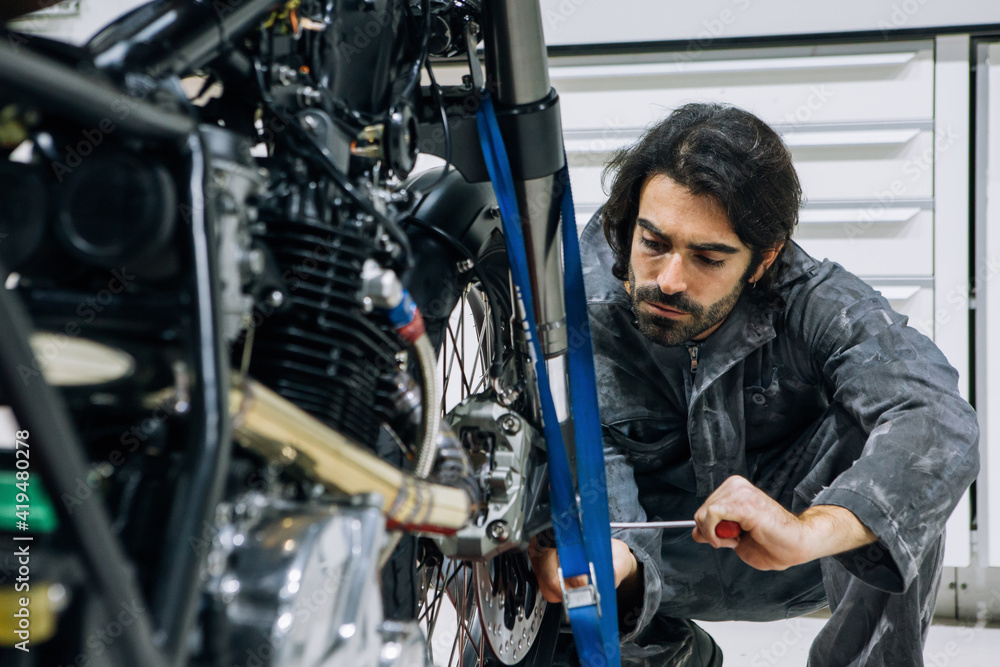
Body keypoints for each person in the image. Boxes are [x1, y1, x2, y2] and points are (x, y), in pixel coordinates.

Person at [529, 102, 980, 666]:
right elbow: (592, 465)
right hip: (646, 569)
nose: (668, 280)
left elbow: (938, 417)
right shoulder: (571, 306)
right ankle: (673, 655)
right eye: (653, 243)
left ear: (764, 259)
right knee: (517, 457)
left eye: (708, 257)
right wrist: (605, 554)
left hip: (794, 561)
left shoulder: (814, 299)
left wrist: (810, 530)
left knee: (899, 455)